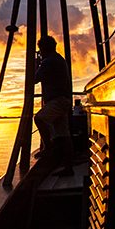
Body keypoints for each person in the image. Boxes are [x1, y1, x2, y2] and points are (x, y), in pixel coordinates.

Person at [33, 35, 74, 176]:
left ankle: (48, 148)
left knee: (39, 119)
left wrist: (36, 64)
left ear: (44, 49)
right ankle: (68, 167)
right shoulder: (58, 59)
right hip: (63, 100)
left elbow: (34, 79)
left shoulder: (49, 61)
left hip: (57, 100)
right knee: (63, 134)